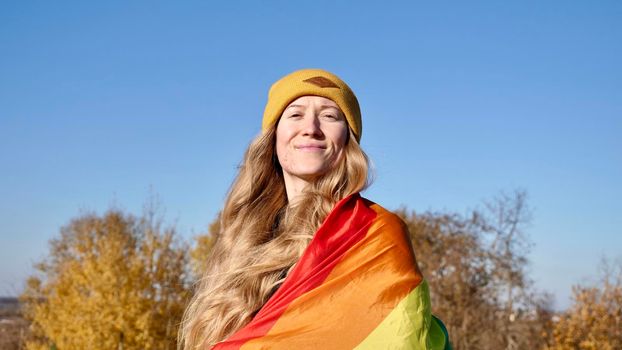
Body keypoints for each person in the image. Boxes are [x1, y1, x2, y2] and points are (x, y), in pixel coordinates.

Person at [180, 68, 450, 349]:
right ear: (273, 136)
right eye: (295, 114)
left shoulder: (375, 233)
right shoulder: (240, 238)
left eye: (329, 116)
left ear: (348, 139)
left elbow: (401, 335)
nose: (311, 127)